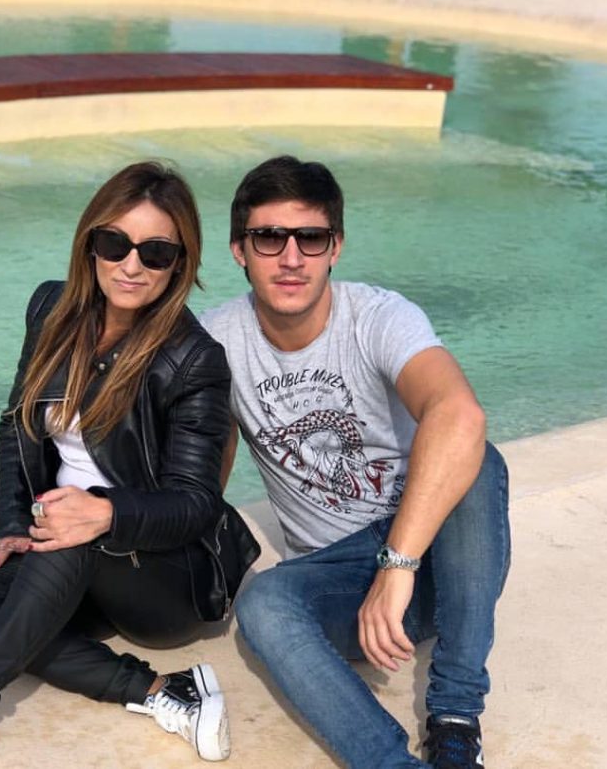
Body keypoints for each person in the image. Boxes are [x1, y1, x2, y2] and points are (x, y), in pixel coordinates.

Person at [0, 161, 242, 769]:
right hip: (66, 554)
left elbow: (196, 504)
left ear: (180, 263)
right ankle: (160, 692)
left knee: (70, 531)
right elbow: (17, 425)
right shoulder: (51, 310)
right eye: (114, 243)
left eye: (156, 252)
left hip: (163, 577)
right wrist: (12, 524)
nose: (131, 265)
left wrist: (104, 513)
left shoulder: (194, 359)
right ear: (90, 243)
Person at [200, 156, 511, 769]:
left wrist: (399, 564)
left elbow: (458, 414)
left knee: (479, 459)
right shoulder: (215, 343)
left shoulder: (378, 317)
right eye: (269, 238)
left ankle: (454, 719)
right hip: (339, 580)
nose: (291, 258)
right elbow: (202, 469)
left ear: (335, 247)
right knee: (265, 606)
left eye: (310, 238)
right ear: (240, 250)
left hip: (436, 561)